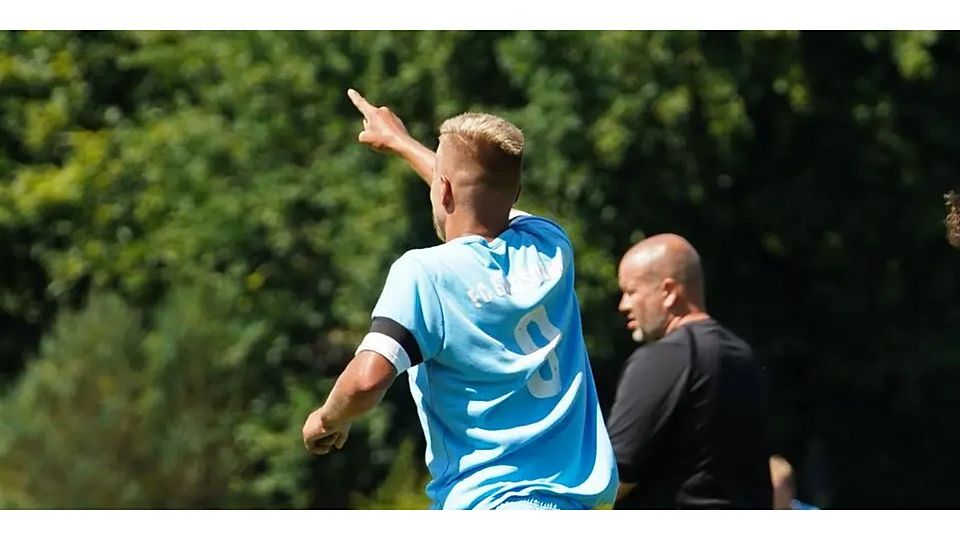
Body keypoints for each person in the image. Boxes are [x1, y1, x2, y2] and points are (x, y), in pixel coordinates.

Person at [301, 89, 618, 510]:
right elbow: (484, 192)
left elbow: (365, 380)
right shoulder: (551, 247)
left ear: (443, 189)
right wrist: (400, 143)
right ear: (518, 193)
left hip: (487, 506)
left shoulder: (426, 274)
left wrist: (326, 418)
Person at [606, 234, 772, 509]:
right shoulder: (742, 355)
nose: (623, 305)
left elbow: (614, 478)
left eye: (632, 291)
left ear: (669, 291)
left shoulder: (663, 358)